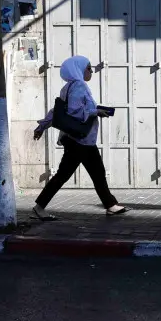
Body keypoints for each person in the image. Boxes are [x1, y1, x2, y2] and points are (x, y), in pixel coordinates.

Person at [32, 55, 128, 219]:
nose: (91, 71)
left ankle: (39, 207)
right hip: (81, 140)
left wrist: (42, 126)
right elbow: (74, 111)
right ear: (79, 69)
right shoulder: (79, 86)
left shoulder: (67, 87)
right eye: (88, 68)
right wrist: (95, 112)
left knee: (68, 174)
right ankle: (110, 205)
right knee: (95, 172)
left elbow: (57, 111)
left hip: (75, 140)